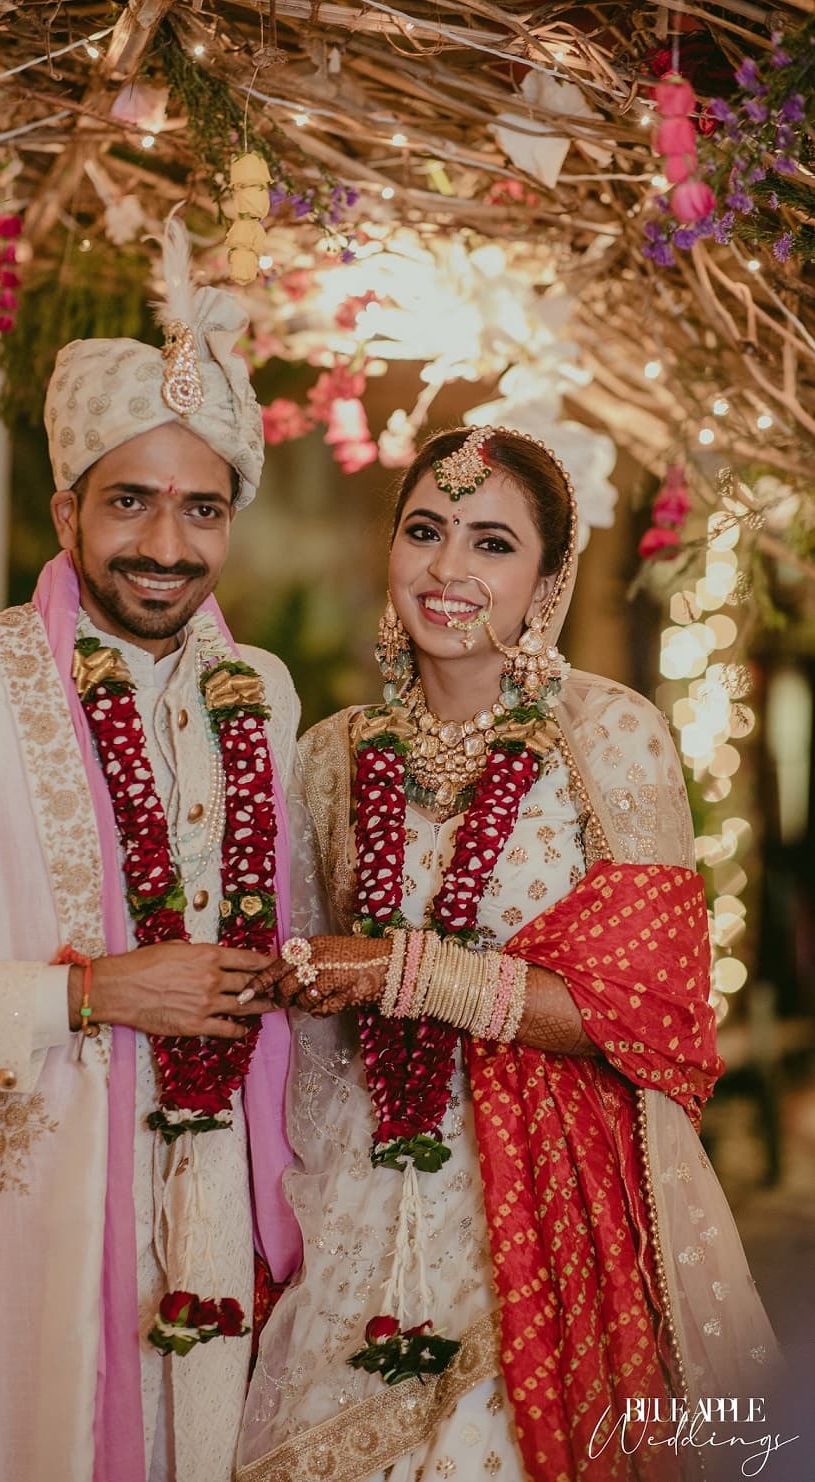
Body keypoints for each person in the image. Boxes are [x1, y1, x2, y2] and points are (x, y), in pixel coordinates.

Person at [0, 220, 302, 1482]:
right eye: (129, 499)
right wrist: (90, 995)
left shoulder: (260, 692)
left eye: (202, 508)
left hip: (211, 1214)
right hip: (8, 1219)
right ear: (65, 508)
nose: (166, 544)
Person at [238, 427, 781, 1482]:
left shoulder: (608, 738)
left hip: (540, 1208)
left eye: (491, 543)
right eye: (424, 531)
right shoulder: (328, 757)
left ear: (547, 580)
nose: (446, 569)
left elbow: (655, 1016)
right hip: (355, 1203)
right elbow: (303, 1024)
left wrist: (400, 972)